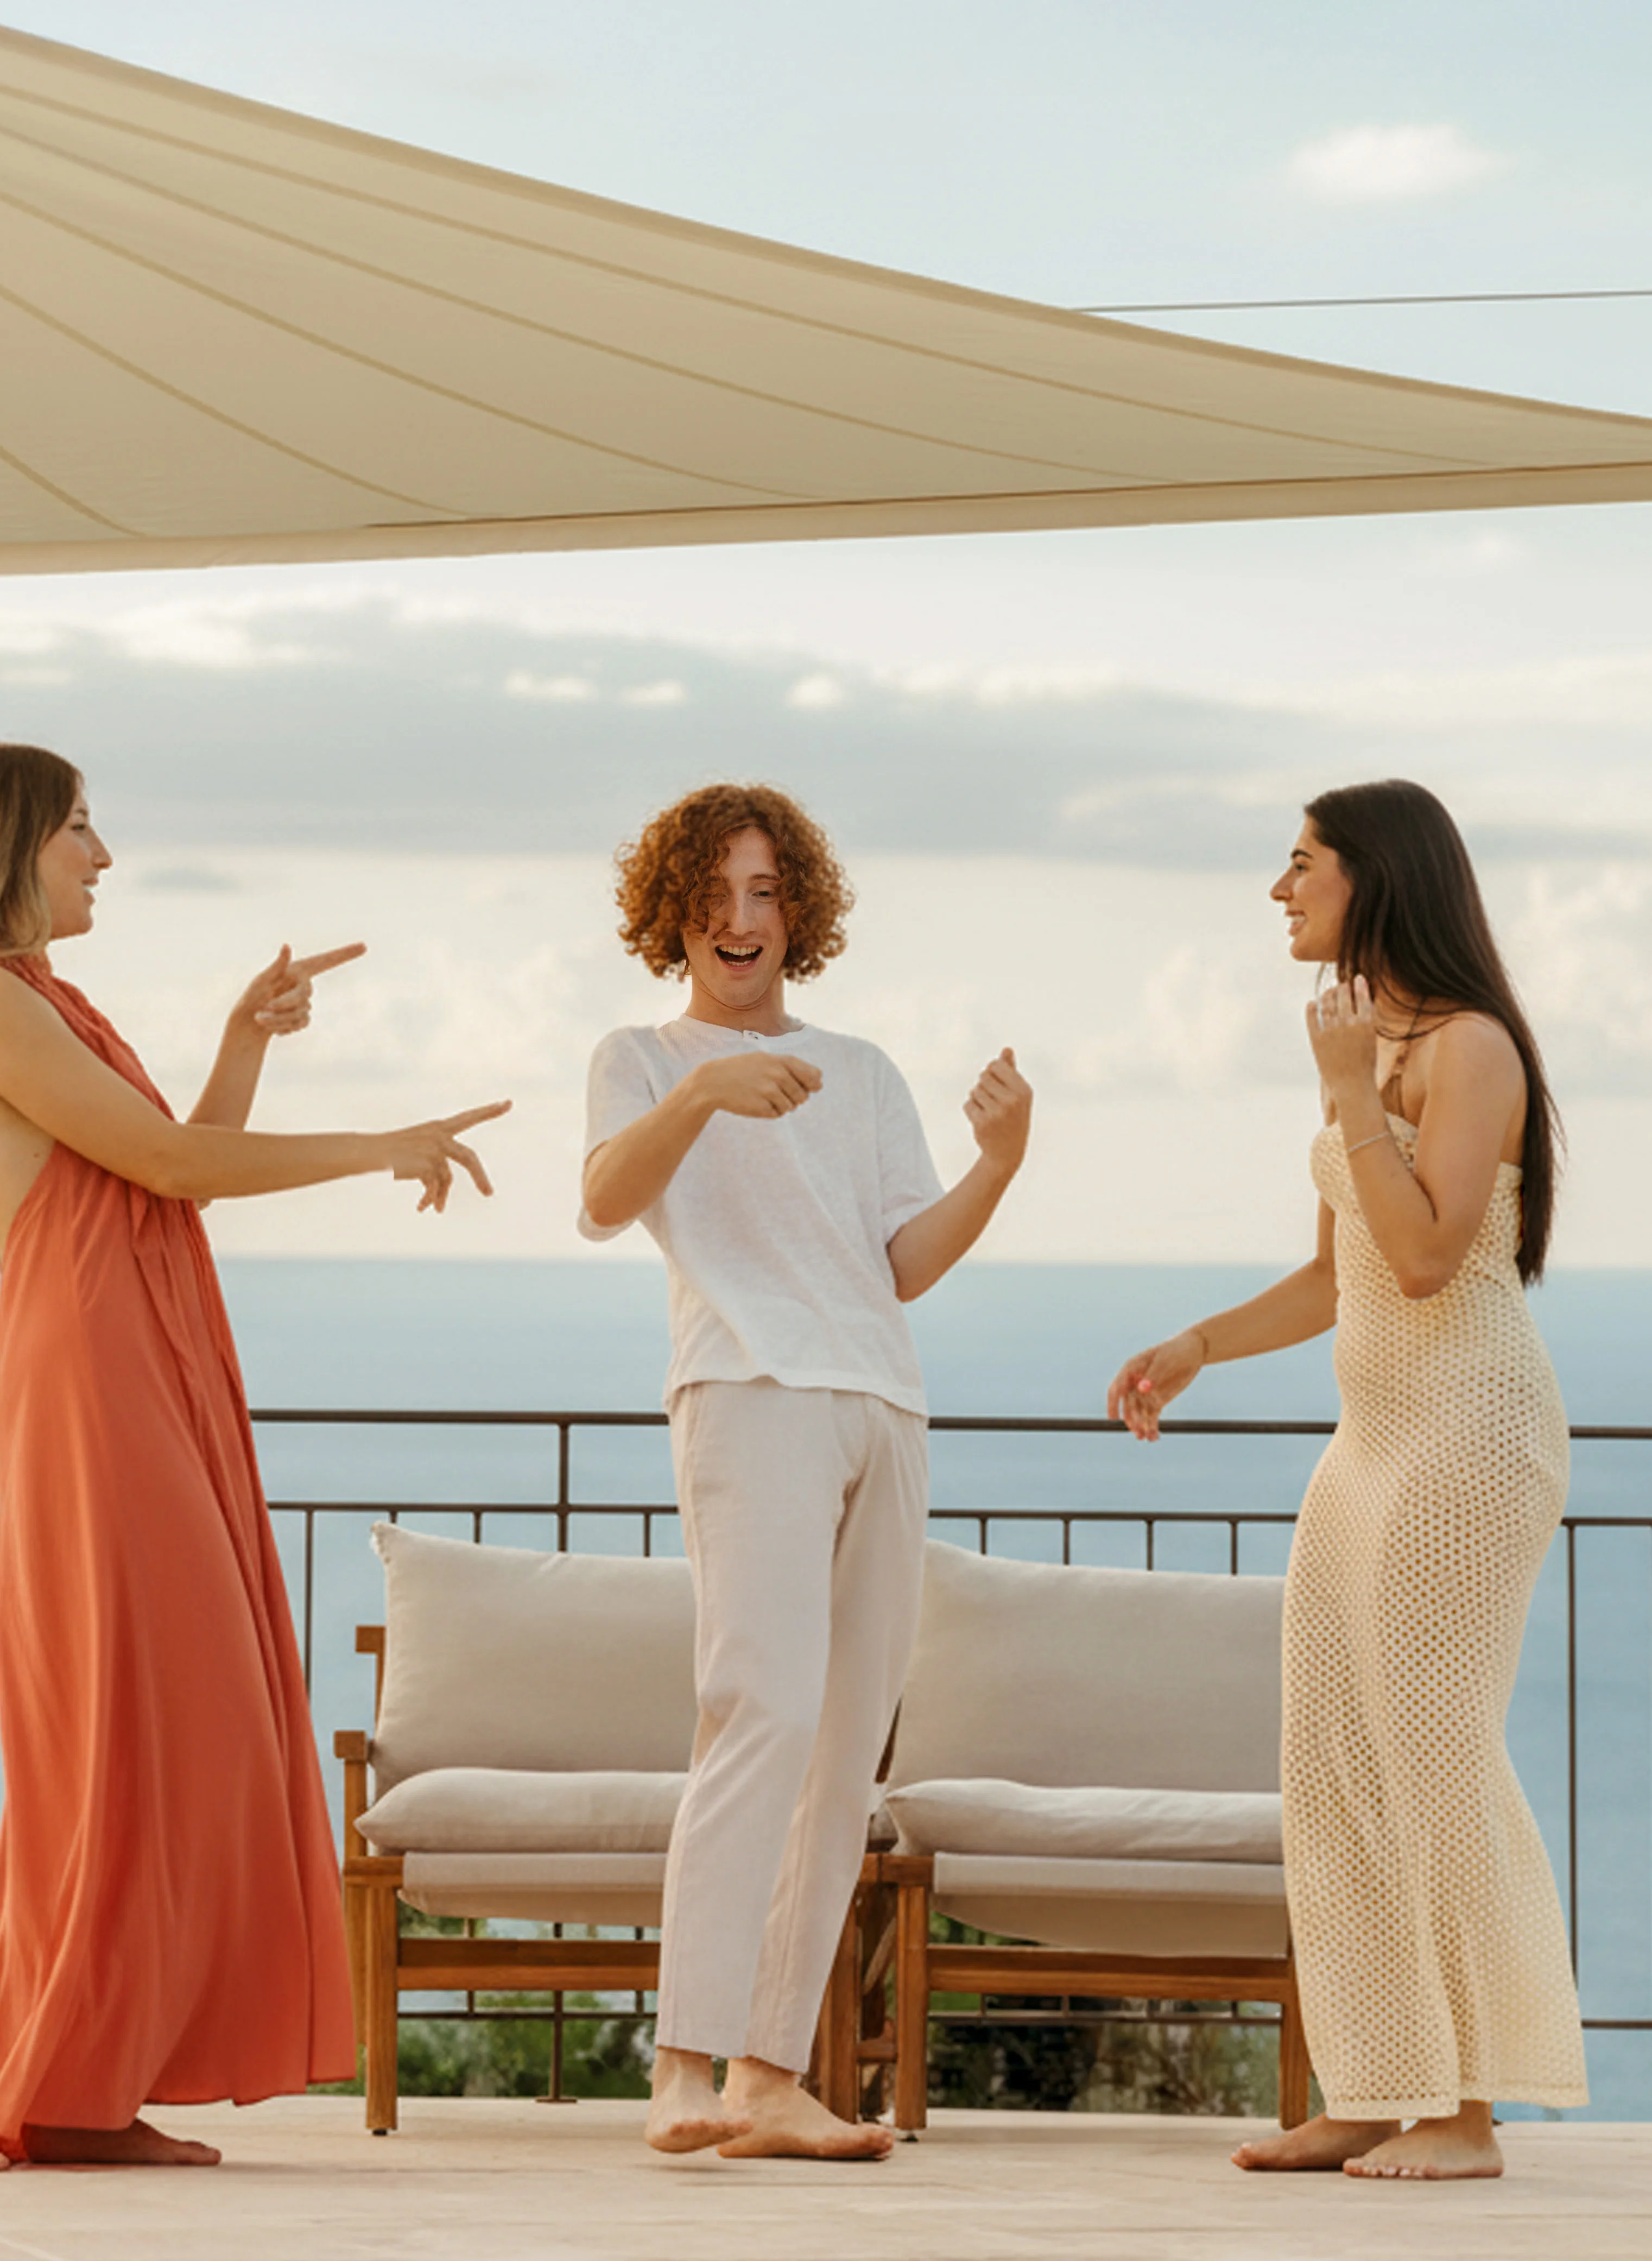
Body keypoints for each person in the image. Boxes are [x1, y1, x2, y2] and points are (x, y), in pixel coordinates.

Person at [0, 741, 509, 2173]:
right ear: (8, 840)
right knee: (112, 1731)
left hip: (152, 1359)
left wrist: (244, 1042)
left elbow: (165, 1171)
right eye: (80, 827)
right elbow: (167, 1169)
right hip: (91, 1379)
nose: (103, 855)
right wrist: (380, 1141)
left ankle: (86, 2091)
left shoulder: (50, 1000)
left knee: (179, 1725)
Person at [1107, 779, 1586, 2182]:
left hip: (1469, 1433)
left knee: (1434, 1751)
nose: (1280, 889)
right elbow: (1340, 1273)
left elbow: (1428, 1256)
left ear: (1376, 877)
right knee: (1331, 1759)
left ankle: (1470, 2108)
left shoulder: (1471, 1047)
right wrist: (1198, 1344)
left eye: (1302, 863)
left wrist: (1347, 1098)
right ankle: (1377, 2080)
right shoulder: (1363, 1049)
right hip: (1370, 1443)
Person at [579, 782, 1031, 2161]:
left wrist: (999, 1165)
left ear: (799, 912)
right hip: (748, 1394)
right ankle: (683, 2066)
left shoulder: (865, 1071)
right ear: (673, 914)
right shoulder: (641, 1060)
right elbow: (603, 1199)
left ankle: (770, 2077)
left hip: (882, 1403)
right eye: (715, 894)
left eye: (766, 892)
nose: (742, 918)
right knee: (759, 1713)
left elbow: (902, 1263)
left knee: (844, 1753)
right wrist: (706, 1091)